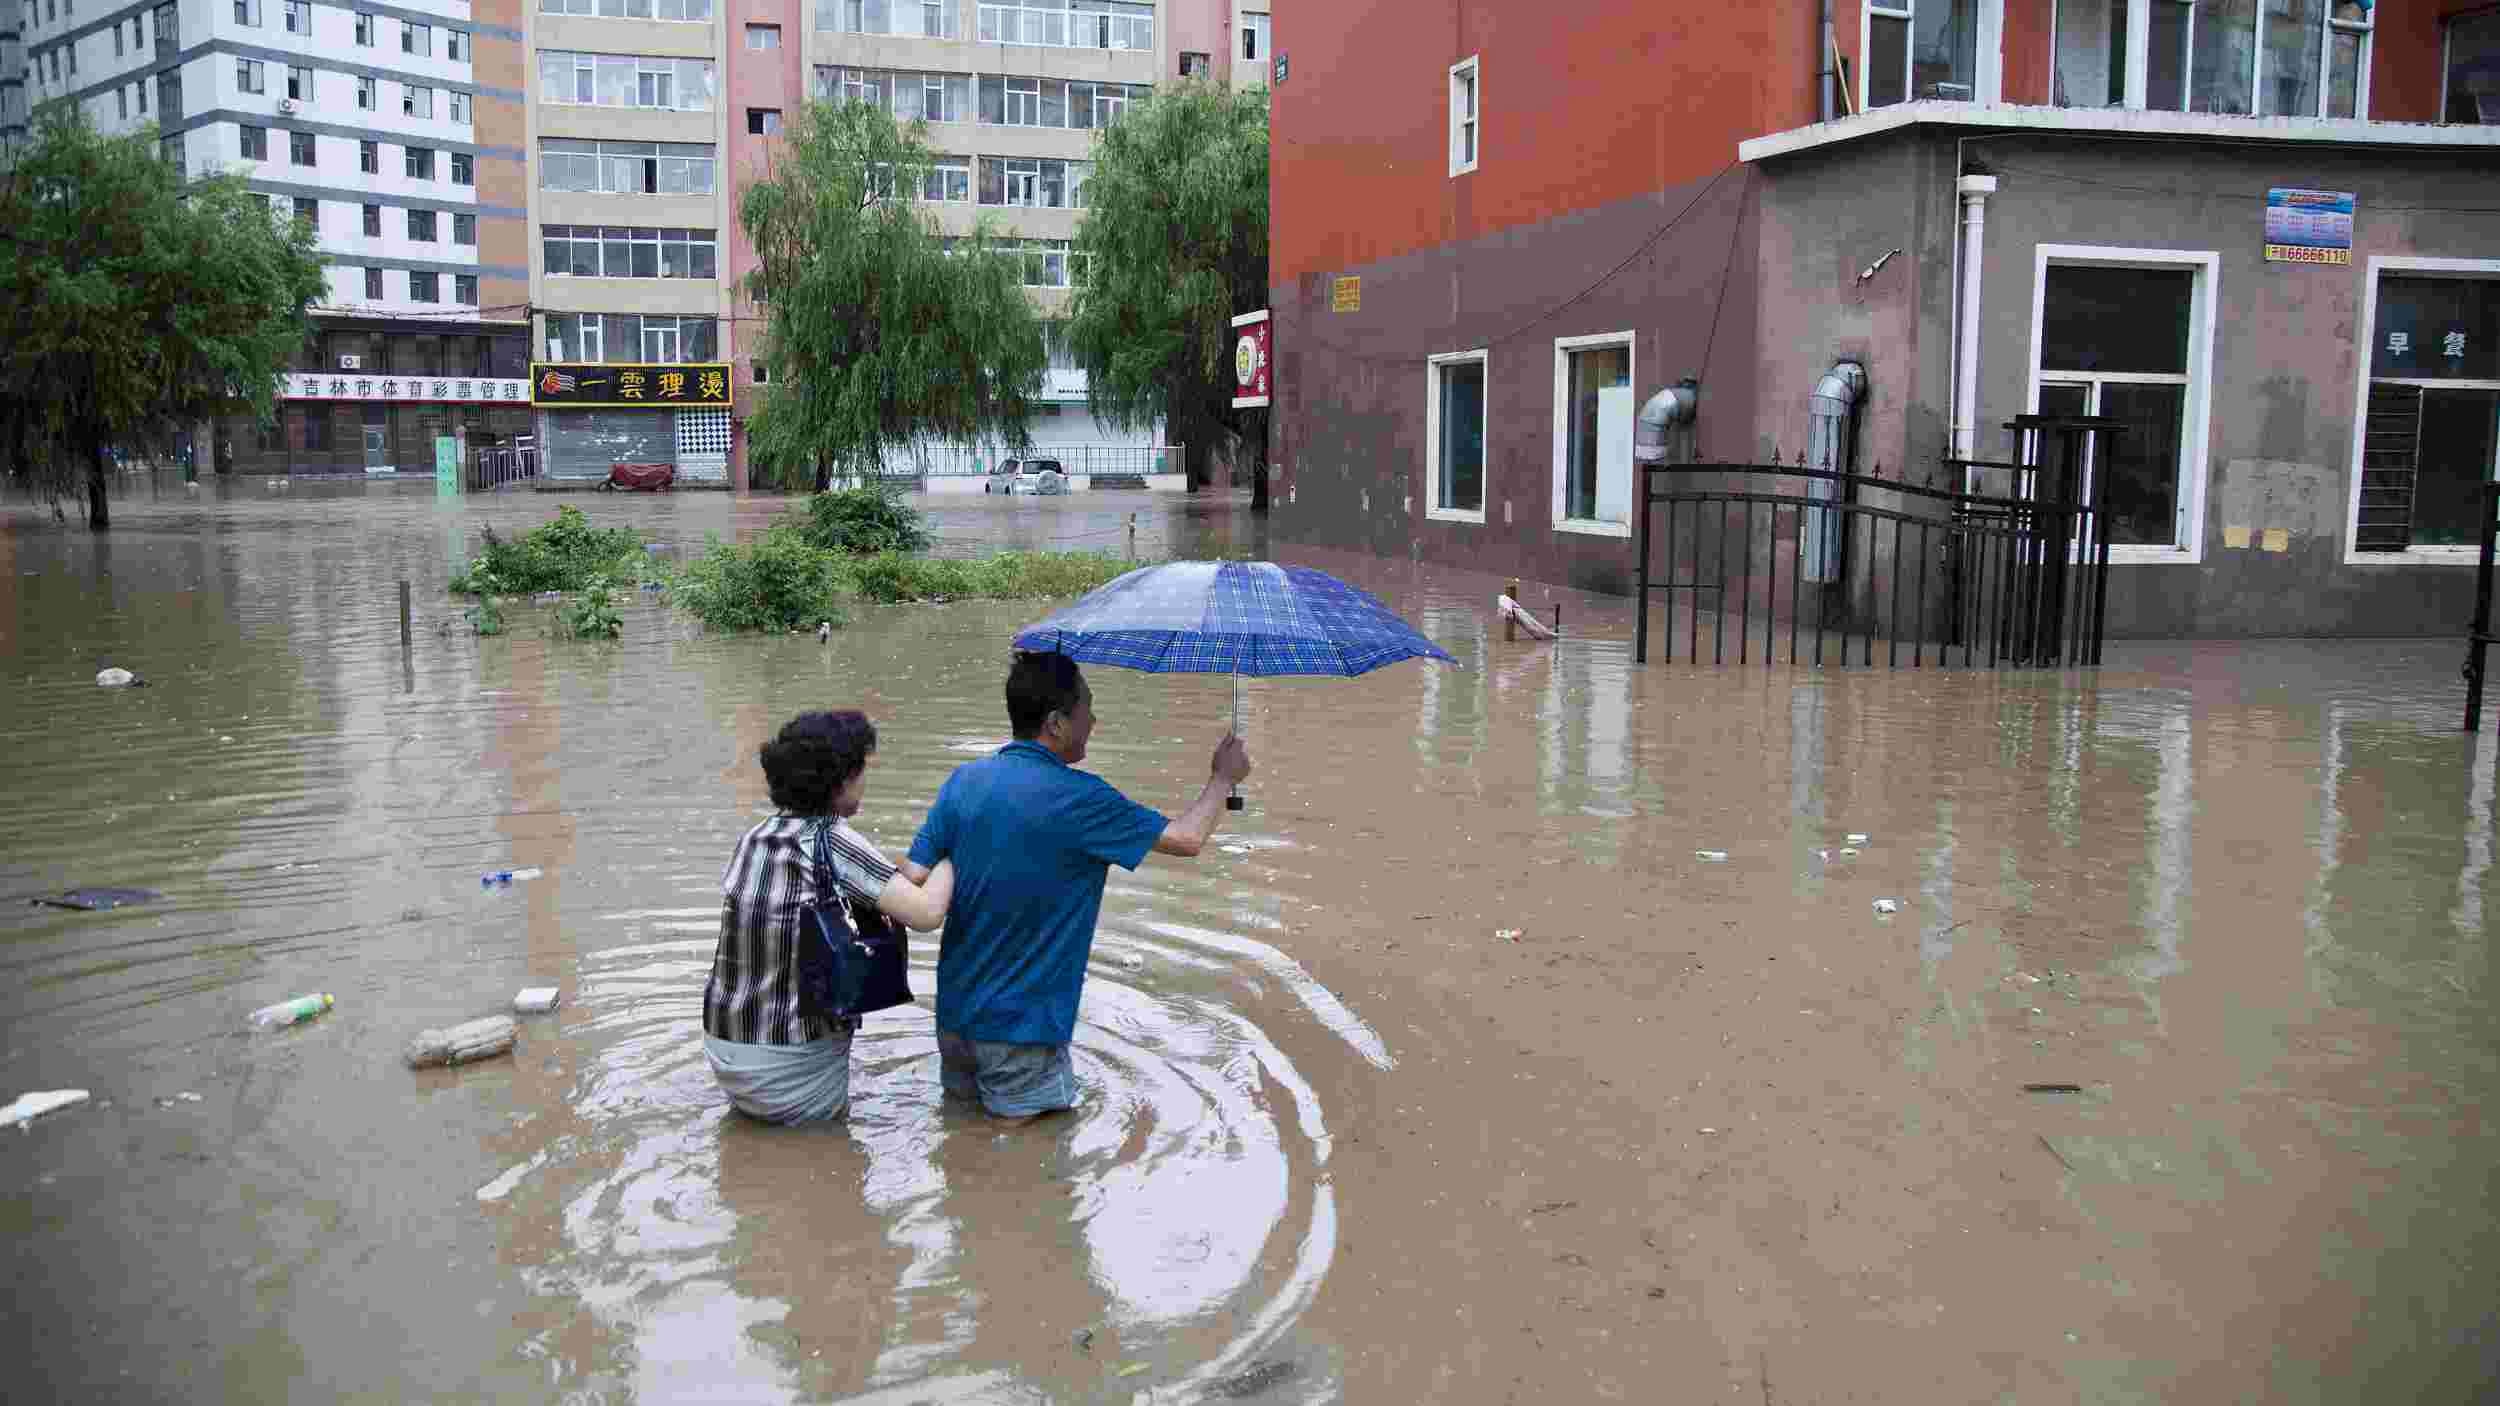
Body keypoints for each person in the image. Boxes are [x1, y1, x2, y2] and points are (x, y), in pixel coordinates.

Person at [901, 651, 1253, 1121]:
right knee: (1029, 1169)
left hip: (954, 1021)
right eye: (1087, 708)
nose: (1095, 719)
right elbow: (1187, 839)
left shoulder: (963, 781)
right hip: (1023, 1033)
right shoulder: (1083, 799)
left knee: (963, 1140)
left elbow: (914, 876)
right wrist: (1222, 778)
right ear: (1057, 723)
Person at [703, 710, 955, 1125]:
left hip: (726, 1045)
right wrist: (951, 851)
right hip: (787, 1062)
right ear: (840, 782)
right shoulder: (831, 839)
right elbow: (926, 913)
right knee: (830, 1166)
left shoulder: (757, 836)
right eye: (861, 771)